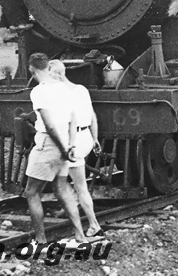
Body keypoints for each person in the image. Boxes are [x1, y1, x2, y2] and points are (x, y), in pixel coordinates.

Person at [20, 53, 88, 254]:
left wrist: (62, 148)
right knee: (62, 190)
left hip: (49, 144)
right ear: (48, 66)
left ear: (32, 69)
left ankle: (40, 241)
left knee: (31, 192)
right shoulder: (64, 88)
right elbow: (73, 119)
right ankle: (80, 237)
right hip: (66, 142)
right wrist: (71, 145)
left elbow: (49, 125)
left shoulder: (38, 92)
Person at [48, 60, 104, 239]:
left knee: (75, 186)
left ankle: (92, 225)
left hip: (72, 142)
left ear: (56, 75)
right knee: (73, 183)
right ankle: (77, 209)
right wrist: (95, 139)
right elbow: (93, 116)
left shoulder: (59, 94)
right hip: (86, 137)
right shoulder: (81, 90)